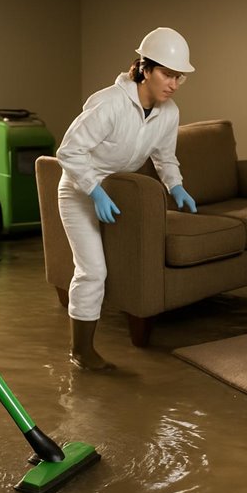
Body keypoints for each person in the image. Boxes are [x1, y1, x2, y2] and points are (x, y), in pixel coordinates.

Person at [56, 27, 197, 370]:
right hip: (79, 191)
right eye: (167, 74)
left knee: (123, 269)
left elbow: (165, 157)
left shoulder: (169, 112)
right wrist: (94, 189)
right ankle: (81, 352)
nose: (174, 84)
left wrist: (175, 185)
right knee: (93, 271)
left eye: (179, 76)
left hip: (119, 194)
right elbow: (69, 151)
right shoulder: (109, 103)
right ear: (144, 69)